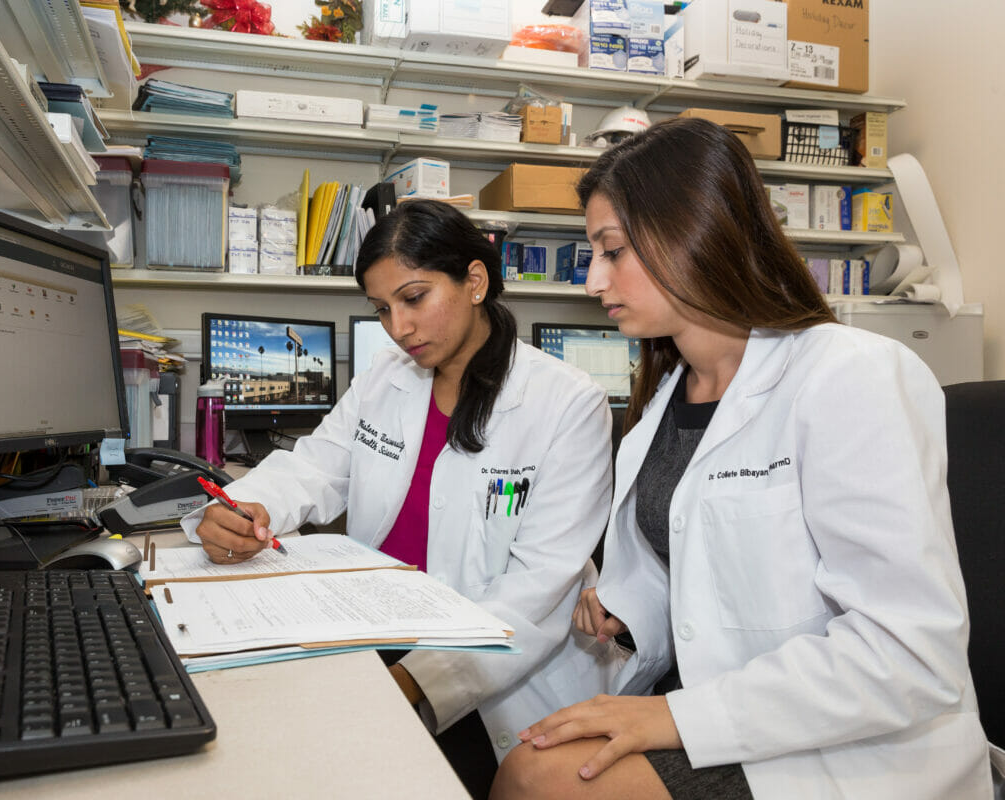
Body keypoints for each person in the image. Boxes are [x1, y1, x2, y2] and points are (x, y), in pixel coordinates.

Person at [489, 117, 992, 800]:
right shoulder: (670, 392)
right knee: (534, 754)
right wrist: (629, 602)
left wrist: (674, 713)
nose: (591, 280)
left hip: (852, 744)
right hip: (731, 704)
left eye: (611, 251)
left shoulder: (851, 376)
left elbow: (908, 653)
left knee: (541, 779)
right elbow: (707, 561)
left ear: (692, 230)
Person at [180, 199, 622, 798]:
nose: (399, 327)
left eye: (414, 298)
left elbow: (539, 590)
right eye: (383, 309)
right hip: (373, 631)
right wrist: (240, 508)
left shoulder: (568, 403)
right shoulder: (387, 376)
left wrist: (416, 682)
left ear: (474, 281)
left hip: (490, 670)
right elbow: (313, 467)